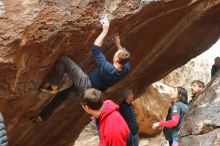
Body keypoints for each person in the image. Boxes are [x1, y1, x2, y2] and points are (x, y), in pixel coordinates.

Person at [35, 16, 131, 122]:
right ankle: (42, 117)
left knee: (64, 60)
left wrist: (104, 31)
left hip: (86, 83)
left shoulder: (107, 68)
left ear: (116, 59)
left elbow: (95, 48)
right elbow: (123, 53)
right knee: (61, 96)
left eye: (116, 54)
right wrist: (118, 44)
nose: (115, 54)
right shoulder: (125, 68)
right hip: (90, 92)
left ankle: (53, 85)